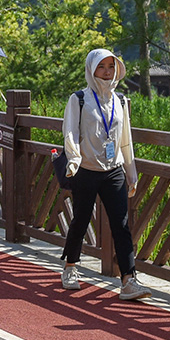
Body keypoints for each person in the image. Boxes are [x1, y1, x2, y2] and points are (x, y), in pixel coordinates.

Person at [60, 49, 151, 300]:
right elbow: (69, 132)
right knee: (80, 219)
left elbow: (125, 141)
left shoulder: (120, 101)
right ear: (91, 69)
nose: (107, 71)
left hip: (114, 171)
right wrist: (74, 159)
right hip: (86, 169)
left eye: (111, 66)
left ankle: (128, 280)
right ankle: (70, 267)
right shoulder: (79, 99)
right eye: (101, 67)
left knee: (121, 225)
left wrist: (131, 173)